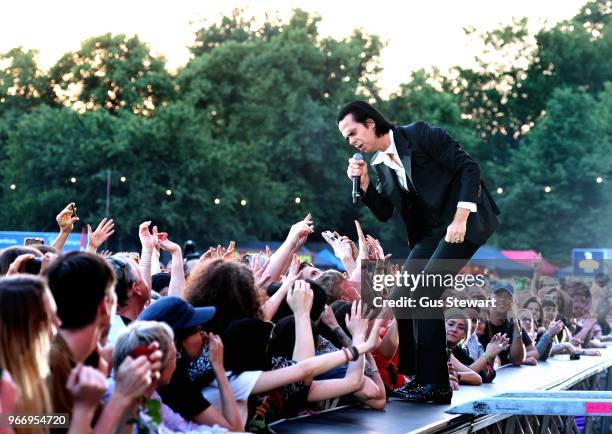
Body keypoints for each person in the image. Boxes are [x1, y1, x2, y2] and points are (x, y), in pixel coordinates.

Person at [339, 100, 499, 403]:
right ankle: (416, 377)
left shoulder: (421, 134)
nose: (350, 141)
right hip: (428, 234)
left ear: (371, 123)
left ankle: (437, 384)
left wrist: (461, 216)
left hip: (462, 222)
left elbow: (469, 168)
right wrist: (363, 183)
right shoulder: (378, 165)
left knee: (426, 290)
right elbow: (386, 212)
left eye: (352, 132)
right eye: (346, 137)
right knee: (401, 297)